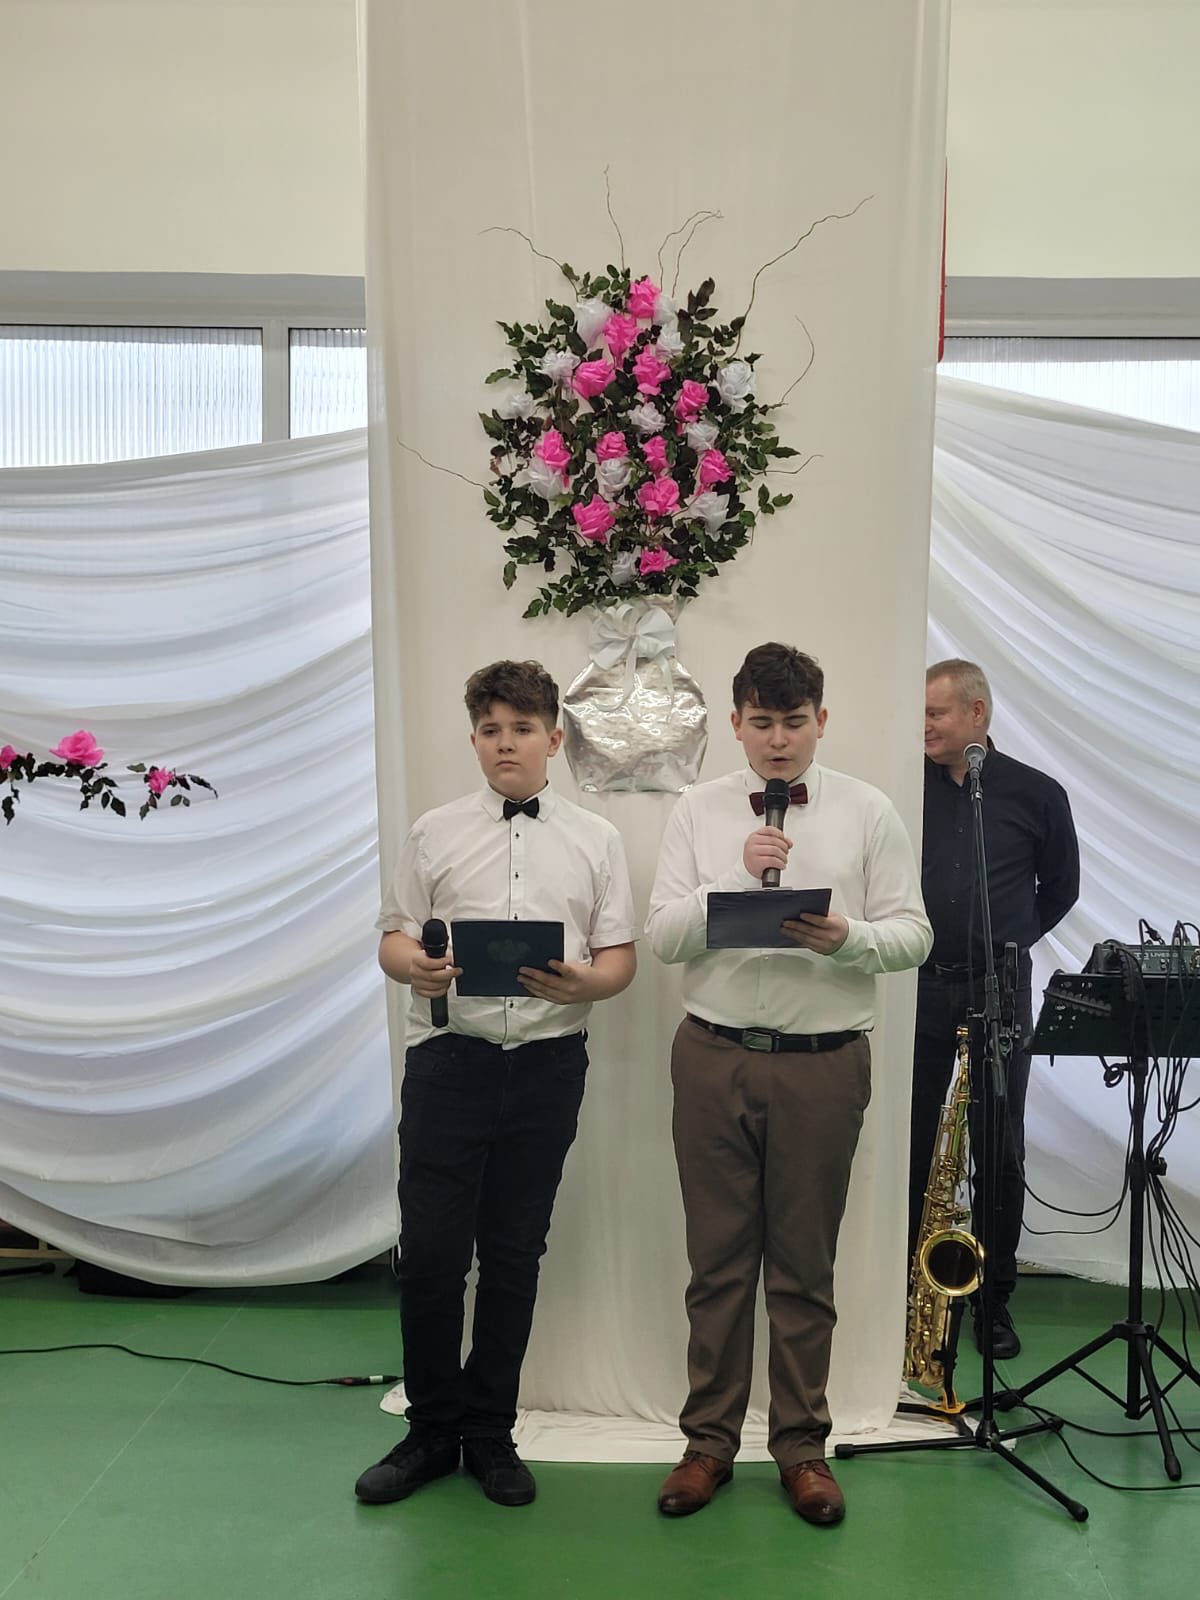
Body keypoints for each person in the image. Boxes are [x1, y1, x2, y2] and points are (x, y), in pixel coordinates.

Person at [645, 643, 932, 1525]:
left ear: (822, 721)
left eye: (794, 722)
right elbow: (663, 937)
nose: (778, 740)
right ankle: (707, 1445)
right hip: (713, 1055)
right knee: (717, 1263)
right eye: (762, 722)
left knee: (805, 1266)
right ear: (735, 724)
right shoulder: (697, 809)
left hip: (823, 1062)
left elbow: (914, 934)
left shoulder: (869, 810)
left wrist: (848, 940)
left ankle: (803, 1449)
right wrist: (738, 875)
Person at [355, 660, 636, 1509]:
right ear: (474, 740)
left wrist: (586, 983)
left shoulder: (597, 839)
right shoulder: (434, 832)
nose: (505, 743)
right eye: (490, 730)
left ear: (555, 738)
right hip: (451, 1062)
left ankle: (490, 1431)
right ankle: (429, 1430)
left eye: (521, 728)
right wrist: (416, 967)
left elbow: (619, 959)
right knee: (431, 1256)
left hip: (547, 1067)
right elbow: (393, 937)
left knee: (514, 1254)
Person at [911, 659, 1079, 1359]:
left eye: (935, 713)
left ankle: (993, 1301)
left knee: (999, 1149)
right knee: (912, 1140)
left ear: (975, 714)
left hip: (1000, 989)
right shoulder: (904, 786)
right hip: (918, 983)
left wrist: (1010, 941)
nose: (923, 726)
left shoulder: (1036, 793)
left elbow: (1061, 889)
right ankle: (909, 1295)